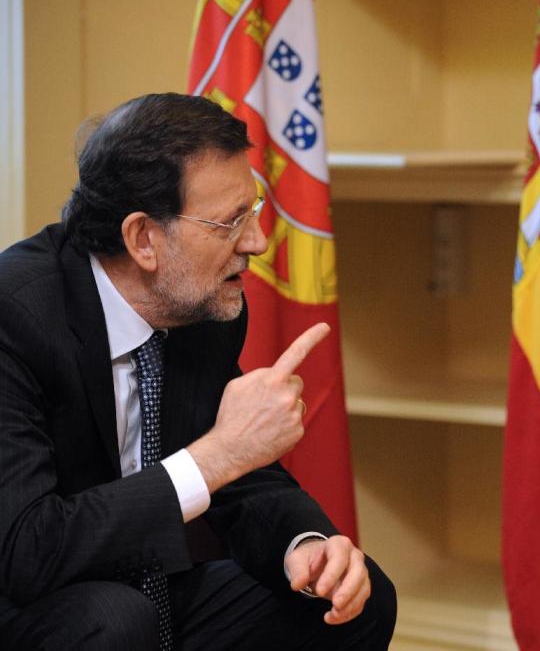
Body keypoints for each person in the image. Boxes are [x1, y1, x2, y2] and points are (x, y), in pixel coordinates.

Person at [0, 93, 396, 650]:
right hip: (29, 603)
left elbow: (241, 471)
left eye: (252, 214)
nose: (256, 243)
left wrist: (304, 544)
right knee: (114, 618)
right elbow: (26, 551)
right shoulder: (14, 316)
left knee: (354, 598)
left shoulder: (201, 306)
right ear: (143, 239)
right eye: (231, 222)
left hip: (146, 593)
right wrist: (222, 455)